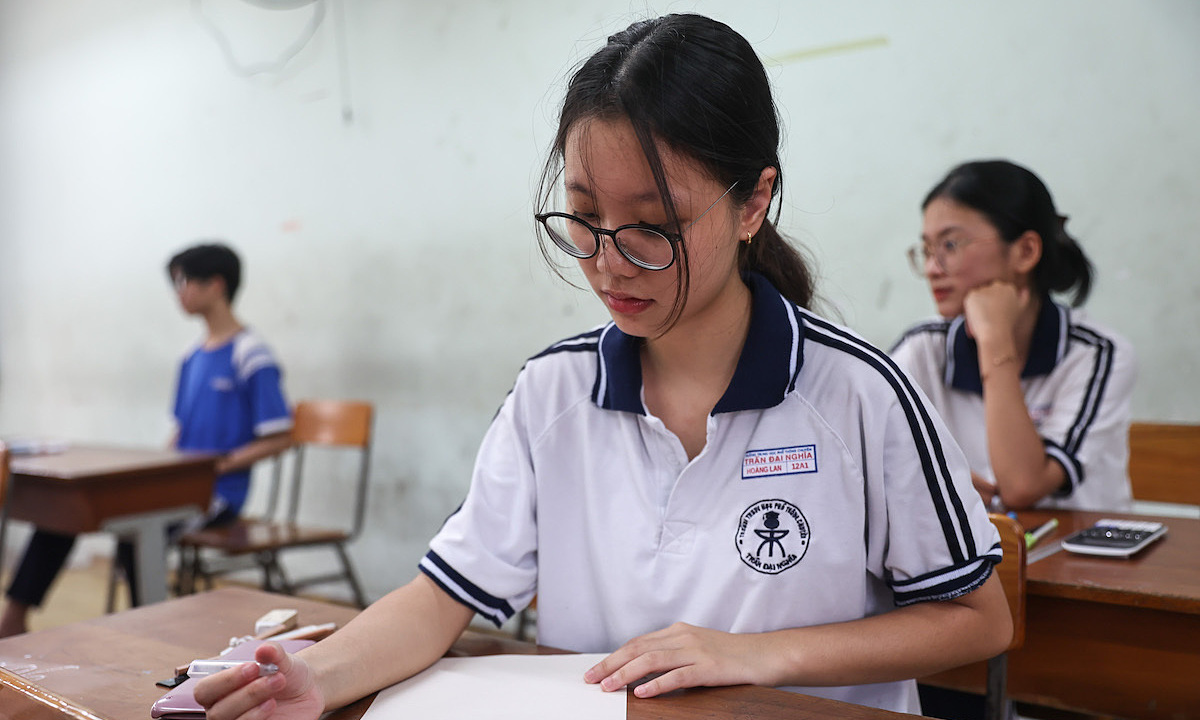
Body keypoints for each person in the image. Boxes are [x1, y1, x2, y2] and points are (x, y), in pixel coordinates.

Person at [195, 14, 1010, 718]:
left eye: (653, 224)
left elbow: (979, 621)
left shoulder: (860, 395)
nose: (609, 262)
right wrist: (317, 678)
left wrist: (754, 654)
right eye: (584, 217)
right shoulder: (554, 394)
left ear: (754, 202)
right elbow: (442, 597)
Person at [0, 242, 292, 637]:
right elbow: (180, 431)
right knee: (64, 510)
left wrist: (219, 465)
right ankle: (14, 617)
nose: (179, 292)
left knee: (137, 533)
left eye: (184, 281)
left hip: (216, 493)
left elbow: (280, 437)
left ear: (216, 285)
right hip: (176, 484)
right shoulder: (191, 356)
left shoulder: (251, 354)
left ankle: (150, 634)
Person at [890, 160, 1137, 513]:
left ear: (1025, 251)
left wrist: (994, 340)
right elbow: (857, 448)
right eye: (928, 249)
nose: (932, 268)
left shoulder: (1097, 354)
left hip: (1080, 561)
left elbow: (1022, 486)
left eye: (951, 245)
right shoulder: (924, 347)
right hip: (978, 558)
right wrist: (932, 474)